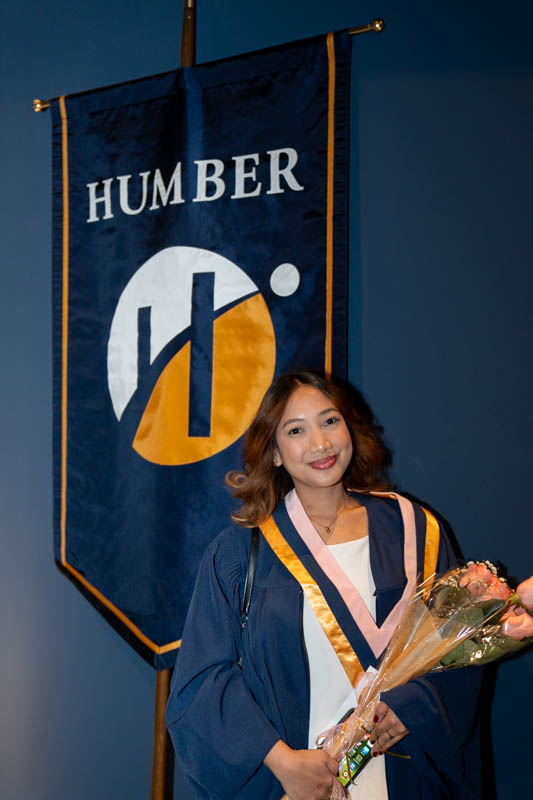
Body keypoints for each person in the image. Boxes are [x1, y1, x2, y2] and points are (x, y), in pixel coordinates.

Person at [166, 372, 483, 800]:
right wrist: (280, 761)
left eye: (330, 421)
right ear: (275, 453)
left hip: (406, 779)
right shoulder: (241, 553)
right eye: (296, 430)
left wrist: (417, 707)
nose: (320, 443)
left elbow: (459, 645)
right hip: (302, 786)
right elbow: (200, 684)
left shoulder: (414, 529)